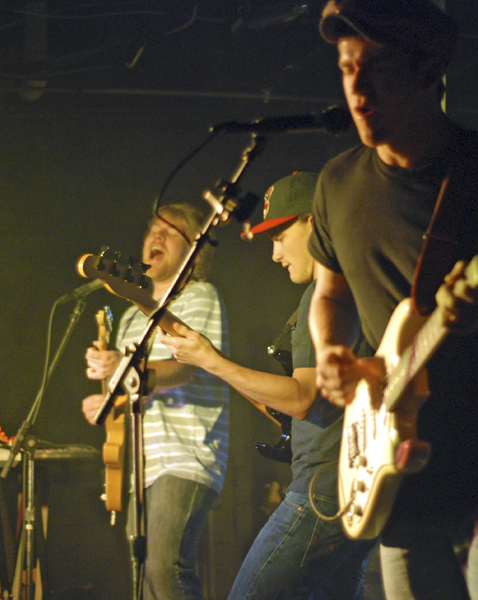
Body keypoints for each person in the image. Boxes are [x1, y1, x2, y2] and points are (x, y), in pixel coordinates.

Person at [307, 1, 478, 599]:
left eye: (375, 67)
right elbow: (330, 292)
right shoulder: (337, 183)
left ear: (430, 71)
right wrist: (332, 351)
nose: (356, 86)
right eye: (347, 68)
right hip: (400, 476)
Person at [158, 172, 382, 600]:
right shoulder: (354, 288)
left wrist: (211, 359)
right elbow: (304, 405)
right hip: (354, 483)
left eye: (280, 236)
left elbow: (300, 399)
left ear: (315, 223)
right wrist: (213, 364)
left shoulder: (326, 298)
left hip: (323, 488)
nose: (275, 254)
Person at [81, 203, 229, 600]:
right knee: (145, 578)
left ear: (194, 251)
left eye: (171, 231)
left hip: (186, 457)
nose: (156, 237)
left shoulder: (199, 296)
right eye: (152, 230)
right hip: (142, 467)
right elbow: (129, 387)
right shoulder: (131, 318)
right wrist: (106, 402)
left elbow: (184, 367)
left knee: (166, 569)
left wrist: (122, 368)